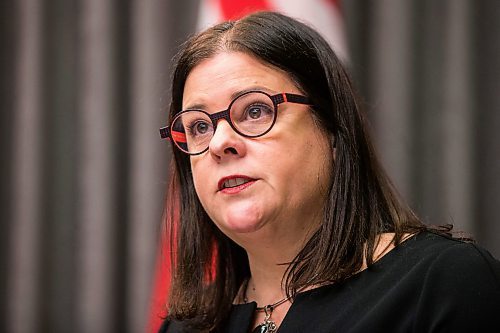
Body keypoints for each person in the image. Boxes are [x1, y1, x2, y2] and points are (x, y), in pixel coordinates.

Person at [157, 11, 500, 333]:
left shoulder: (444, 284)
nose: (219, 143)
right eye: (199, 127)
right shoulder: (185, 326)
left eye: (255, 110)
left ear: (333, 130)